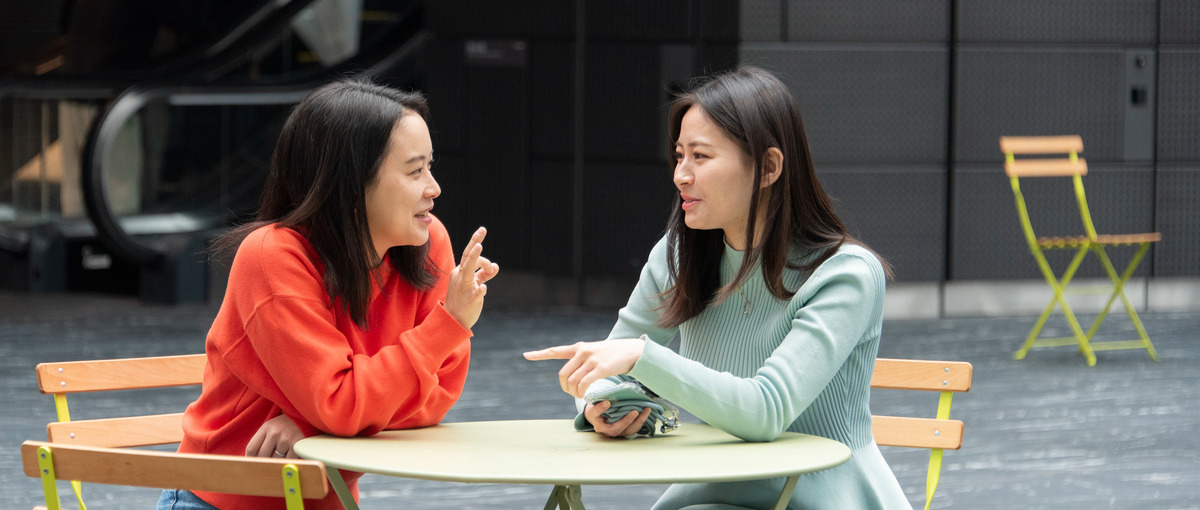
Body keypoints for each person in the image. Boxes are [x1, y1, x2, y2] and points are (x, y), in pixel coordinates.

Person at [524, 65, 911, 509]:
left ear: (768, 167)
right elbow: (608, 373)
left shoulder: (845, 275)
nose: (681, 175)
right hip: (715, 489)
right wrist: (602, 406)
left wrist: (642, 357)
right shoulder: (678, 256)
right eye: (678, 155)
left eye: (701, 157)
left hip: (822, 493)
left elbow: (767, 409)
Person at [158, 78, 499, 510]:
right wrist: (446, 325)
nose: (434, 188)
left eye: (430, 166)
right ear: (351, 182)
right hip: (227, 499)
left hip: (328, 497)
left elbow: (434, 400)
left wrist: (317, 425)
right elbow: (342, 404)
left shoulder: (429, 244)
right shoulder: (272, 257)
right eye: (415, 171)